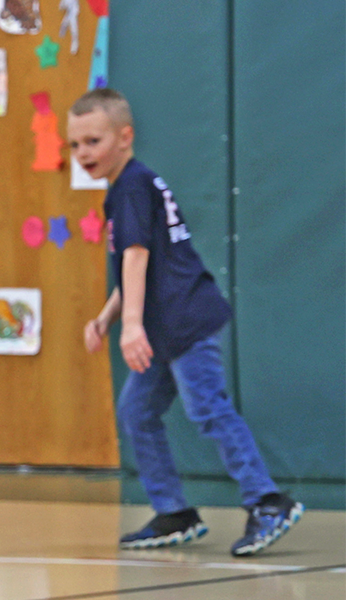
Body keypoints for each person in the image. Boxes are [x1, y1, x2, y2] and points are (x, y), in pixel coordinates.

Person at [70, 88, 302, 556]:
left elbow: (136, 255)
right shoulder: (133, 184)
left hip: (183, 321)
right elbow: (139, 263)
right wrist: (109, 316)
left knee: (208, 409)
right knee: (137, 412)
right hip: (164, 323)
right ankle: (174, 513)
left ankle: (268, 501)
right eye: (74, 145)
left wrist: (131, 326)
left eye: (93, 141)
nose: (83, 153)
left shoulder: (132, 187)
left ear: (125, 136)